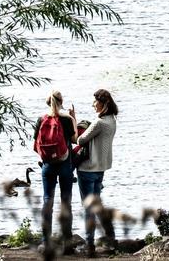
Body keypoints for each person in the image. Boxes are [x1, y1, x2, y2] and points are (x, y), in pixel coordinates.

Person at [73, 89, 119, 256]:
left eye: (95, 102)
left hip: (87, 169)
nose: (93, 104)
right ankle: (111, 237)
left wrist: (73, 121)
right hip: (101, 169)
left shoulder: (98, 123)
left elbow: (80, 140)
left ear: (103, 103)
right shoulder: (112, 121)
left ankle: (90, 245)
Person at [32, 90, 76, 252]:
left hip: (47, 165)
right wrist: (74, 117)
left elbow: (36, 145)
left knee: (47, 200)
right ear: (61, 102)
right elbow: (74, 140)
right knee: (66, 202)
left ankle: (46, 242)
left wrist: (47, 158)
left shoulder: (41, 119)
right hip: (65, 164)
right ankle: (67, 245)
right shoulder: (66, 119)